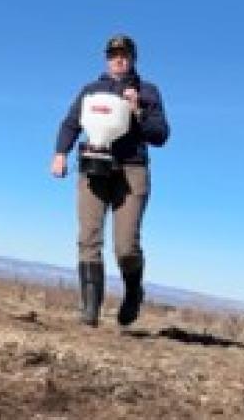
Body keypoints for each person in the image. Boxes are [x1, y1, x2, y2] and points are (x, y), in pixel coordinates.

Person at [51, 34, 170, 328]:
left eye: (124, 54)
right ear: (107, 59)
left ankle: (133, 292)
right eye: (113, 54)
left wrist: (138, 110)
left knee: (126, 246)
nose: (119, 59)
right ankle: (90, 310)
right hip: (94, 166)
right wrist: (60, 153)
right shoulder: (91, 90)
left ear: (133, 58)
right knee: (88, 238)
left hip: (131, 170)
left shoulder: (148, 91)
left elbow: (160, 135)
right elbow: (71, 123)